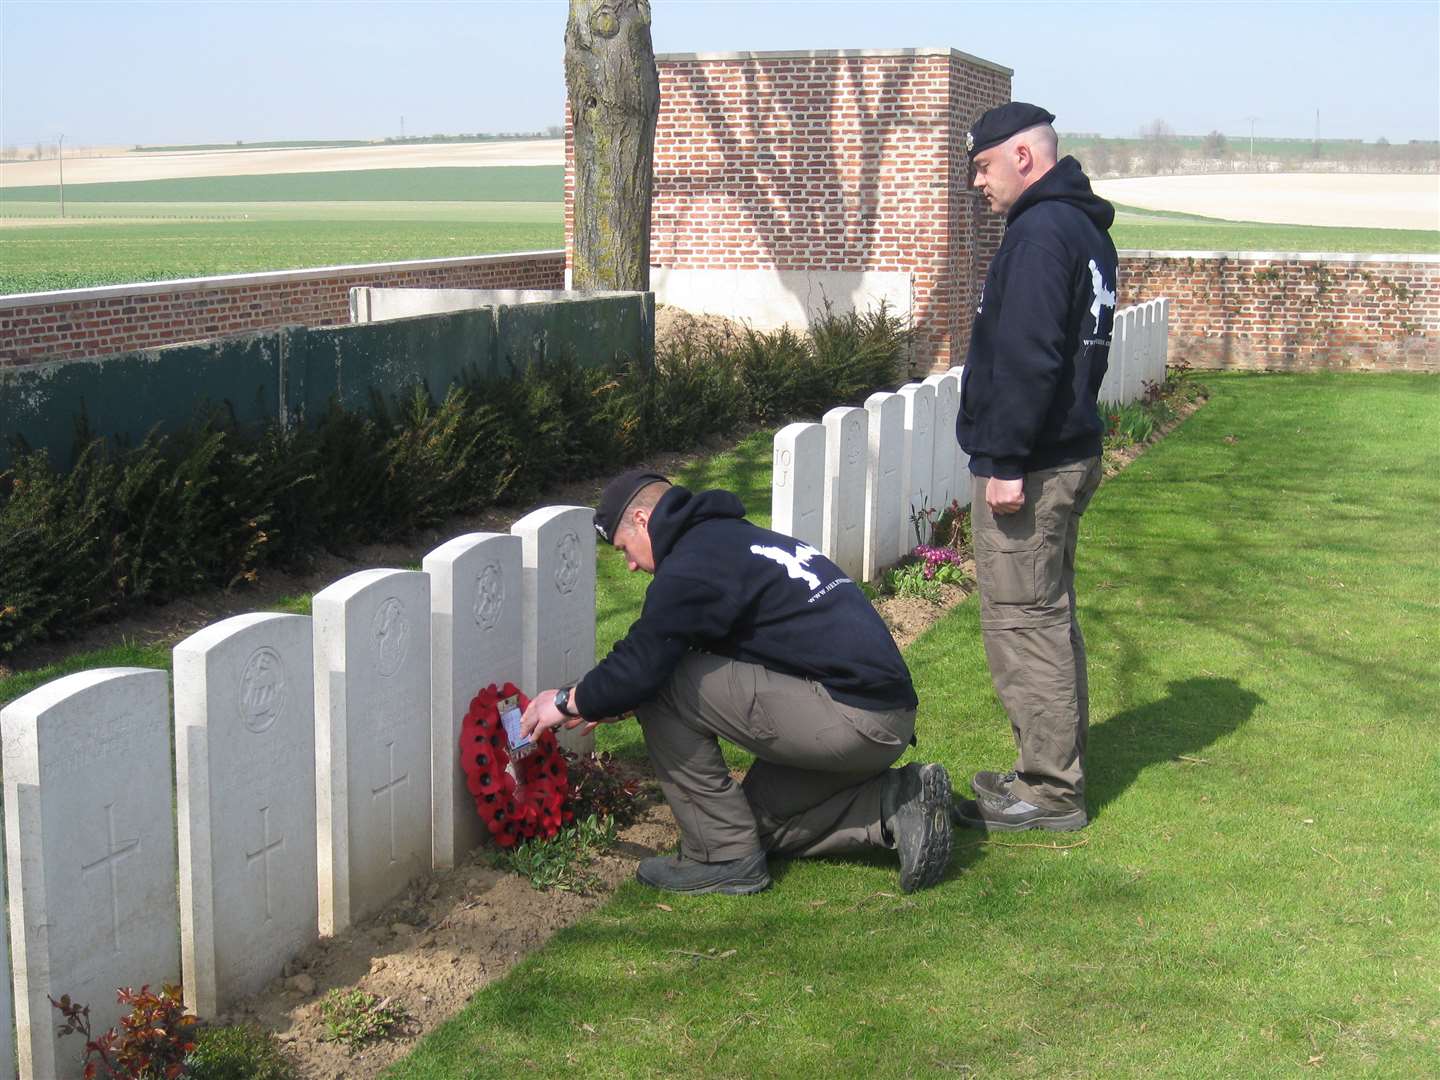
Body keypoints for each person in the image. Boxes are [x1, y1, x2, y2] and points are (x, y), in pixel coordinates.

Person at [520, 468, 953, 895]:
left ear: (641, 520)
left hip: (853, 717)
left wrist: (564, 701)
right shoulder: (734, 539)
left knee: (662, 686)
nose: (631, 566)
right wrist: (614, 695)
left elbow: (643, 662)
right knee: (753, 826)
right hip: (884, 716)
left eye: (625, 549)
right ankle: (897, 802)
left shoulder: (693, 563)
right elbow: (700, 645)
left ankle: (718, 857)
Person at [951, 102, 1118, 832]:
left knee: (1024, 622)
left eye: (983, 166)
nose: (976, 183)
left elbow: (1030, 359)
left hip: (1037, 462)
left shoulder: (1042, 235)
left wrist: (1009, 460)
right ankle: (1048, 767)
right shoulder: (1079, 229)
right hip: (1066, 450)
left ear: (1024, 156)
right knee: (1047, 617)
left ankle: (1048, 791)